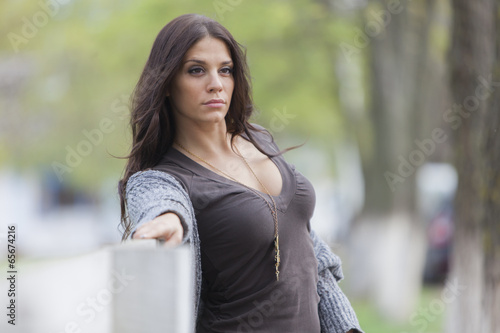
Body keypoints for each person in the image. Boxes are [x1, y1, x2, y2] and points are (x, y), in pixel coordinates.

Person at [118, 13, 363, 333]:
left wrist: (346, 328)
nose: (216, 84)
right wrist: (165, 218)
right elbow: (157, 198)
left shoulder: (258, 140)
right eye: (196, 71)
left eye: (225, 70)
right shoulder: (168, 178)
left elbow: (309, 258)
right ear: (166, 84)